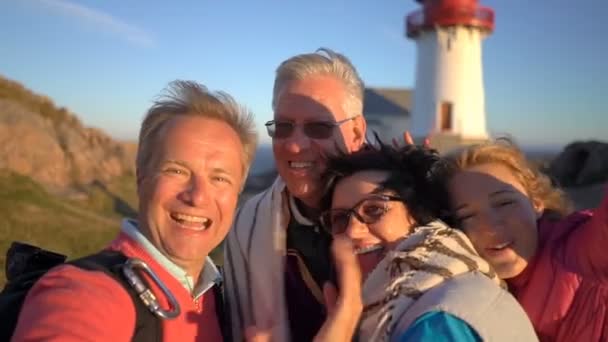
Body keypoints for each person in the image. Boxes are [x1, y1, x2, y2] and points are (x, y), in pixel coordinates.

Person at [11, 80, 258, 341]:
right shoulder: (83, 292)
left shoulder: (230, 301)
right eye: (177, 171)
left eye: (219, 178)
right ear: (141, 178)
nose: (197, 197)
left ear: (236, 195)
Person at [319, 142, 538, 341]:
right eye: (340, 219)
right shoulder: (411, 303)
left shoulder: (440, 322)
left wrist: (343, 321)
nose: (353, 231)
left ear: (419, 214)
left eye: (374, 210)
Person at [223, 48, 367, 341]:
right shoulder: (248, 225)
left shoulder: (411, 213)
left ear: (355, 133)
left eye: (318, 127)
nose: (295, 146)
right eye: (284, 127)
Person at [446, 139, 608, 341]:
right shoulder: (466, 285)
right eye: (467, 216)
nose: (490, 226)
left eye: (504, 202)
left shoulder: (579, 249)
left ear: (536, 204)